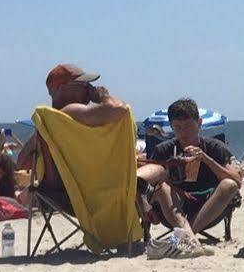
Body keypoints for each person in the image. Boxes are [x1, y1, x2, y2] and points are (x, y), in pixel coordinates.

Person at [16, 64, 185, 230]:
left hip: (55, 197)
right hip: (91, 197)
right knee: (158, 172)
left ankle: (144, 200)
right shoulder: (72, 112)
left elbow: (21, 164)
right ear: (61, 88)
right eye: (83, 85)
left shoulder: (48, 125)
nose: (89, 88)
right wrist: (103, 96)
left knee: (142, 176)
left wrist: (40, 135)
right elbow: (120, 109)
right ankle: (167, 221)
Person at [146, 97, 242, 238]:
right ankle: (189, 236)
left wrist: (206, 159)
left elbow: (237, 181)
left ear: (199, 123)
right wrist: (168, 172)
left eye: (189, 126)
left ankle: (187, 235)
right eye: (177, 127)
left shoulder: (214, 147)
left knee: (229, 185)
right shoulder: (163, 150)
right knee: (161, 187)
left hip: (209, 208)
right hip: (173, 209)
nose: (184, 132)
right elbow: (148, 185)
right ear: (171, 127)